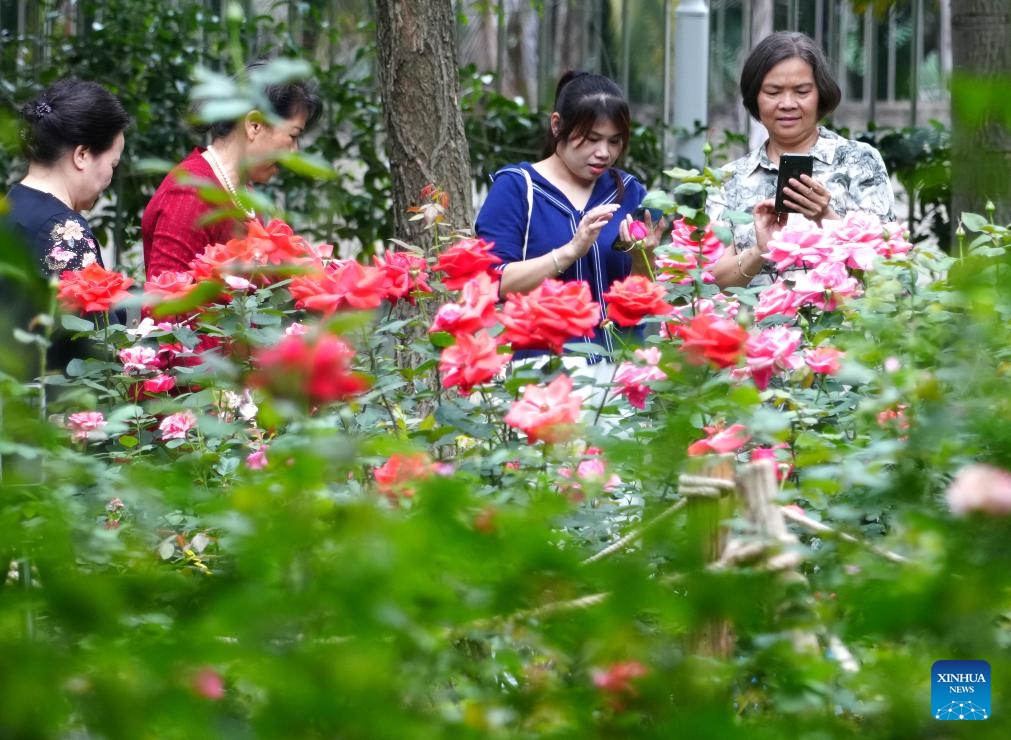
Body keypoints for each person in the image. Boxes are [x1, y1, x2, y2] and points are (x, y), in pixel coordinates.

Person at [475, 70, 664, 360]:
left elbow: (639, 302)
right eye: (591, 138)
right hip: (543, 378)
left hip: (619, 375)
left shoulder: (628, 191)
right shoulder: (517, 186)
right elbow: (492, 282)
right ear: (556, 125)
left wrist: (643, 258)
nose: (604, 153)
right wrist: (570, 251)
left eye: (614, 141)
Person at [708, 31, 896, 289]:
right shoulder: (728, 181)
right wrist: (759, 251)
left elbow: (889, 274)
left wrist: (825, 217)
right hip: (755, 328)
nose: (787, 103)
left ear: (821, 94)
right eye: (773, 92)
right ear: (755, 97)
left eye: (801, 91)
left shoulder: (859, 162)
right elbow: (710, 285)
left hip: (842, 327)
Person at [142, 61, 322, 279]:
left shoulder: (242, 190)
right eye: (293, 136)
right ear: (254, 125)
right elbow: (163, 306)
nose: (294, 152)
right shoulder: (189, 193)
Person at [5, 79, 129, 276]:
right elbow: (93, 306)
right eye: (112, 164)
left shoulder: (9, 206)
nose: (110, 176)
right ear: (82, 155)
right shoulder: (66, 233)